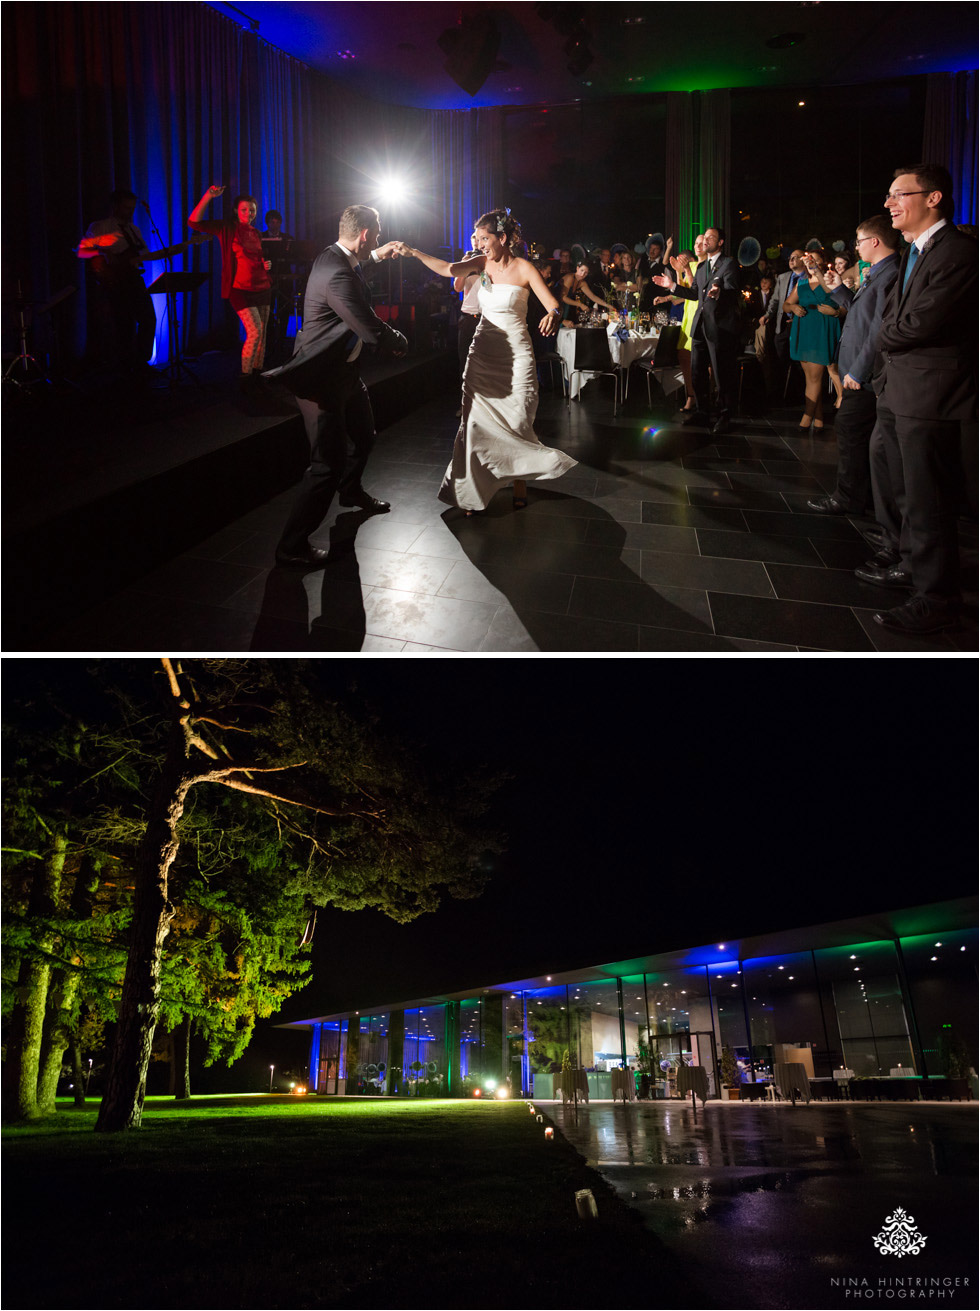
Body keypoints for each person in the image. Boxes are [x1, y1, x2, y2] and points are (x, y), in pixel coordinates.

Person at [396, 209, 576, 514]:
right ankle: (469, 491)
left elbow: (553, 304)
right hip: (483, 352)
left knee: (518, 419)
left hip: (517, 354)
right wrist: (413, 252)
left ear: (502, 238)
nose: (479, 244)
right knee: (475, 424)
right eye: (476, 238)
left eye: (485, 238)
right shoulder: (480, 263)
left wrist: (553, 315)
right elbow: (448, 269)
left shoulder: (524, 268)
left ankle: (519, 481)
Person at [864, 164, 977, 635]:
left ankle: (937, 598)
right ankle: (911, 566)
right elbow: (895, 317)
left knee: (930, 501)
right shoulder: (914, 251)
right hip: (899, 388)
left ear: (932, 198)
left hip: (930, 395)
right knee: (908, 492)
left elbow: (919, 324)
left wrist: (882, 336)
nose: (889, 203)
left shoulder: (959, 250)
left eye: (898, 195)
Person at [261, 204, 406, 568]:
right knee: (326, 465)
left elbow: (355, 265)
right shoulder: (337, 273)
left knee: (365, 434)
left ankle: (351, 491)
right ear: (364, 233)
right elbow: (369, 327)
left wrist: (376, 255)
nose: (379, 237)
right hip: (319, 379)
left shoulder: (334, 257)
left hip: (343, 373)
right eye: (377, 233)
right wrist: (401, 341)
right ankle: (291, 546)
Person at [803, 215, 900, 519]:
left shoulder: (890, 274)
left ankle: (848, 497)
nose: (855, 247)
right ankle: (863, 497)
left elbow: (878, 329)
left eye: (859, 241)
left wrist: (858, 371)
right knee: (859, 435)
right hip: (860, 369)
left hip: (866, 373)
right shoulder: (877, 273)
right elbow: (859, 309)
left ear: (874, 241)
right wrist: (837, 289)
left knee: (849, 430)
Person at [77, 188, 201, 377]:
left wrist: (180, 248)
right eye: (126, 208)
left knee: (148, 318)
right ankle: (125, 368)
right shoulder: (100, 226)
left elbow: (144, 255)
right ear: (115, 206)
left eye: (132, 208)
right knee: (123, 325)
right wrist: (104, 256)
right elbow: (82, 251)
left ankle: (141, 363)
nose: (130, 212)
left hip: (134, 279)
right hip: (114, 282)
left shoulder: (134, 230)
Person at [652, 226, 740, 436]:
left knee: (721, 373)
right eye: (704, 237)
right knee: (697, 372)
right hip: (700, 326)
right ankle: (702, 411)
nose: (706, 240)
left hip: (719, 327)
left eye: (711, 237)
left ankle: (725, 415)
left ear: (720, 243)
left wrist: (719, 293)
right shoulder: (701, 268)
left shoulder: (728, 263)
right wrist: (672, 285)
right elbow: (693, 294)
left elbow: (732, 289)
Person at [188, 185, 274, 392]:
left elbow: (256, 258)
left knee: (262, 335)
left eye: (252, 210)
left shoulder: (257, 233)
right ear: (236, 210)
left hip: (262, 287)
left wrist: (265, 265)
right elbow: (193, 222)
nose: (249, 213)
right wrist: (209, 196)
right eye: (244, 209)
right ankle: (245, 376)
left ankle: (257, 375)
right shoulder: (227, 227)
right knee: (255, 332)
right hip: (239, 289)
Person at [784, 248, 843, 428]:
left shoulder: (830, 281)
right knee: (809, 378)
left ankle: (807, 416)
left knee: (815, 378)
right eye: (809, 260)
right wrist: (793, 308)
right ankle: (818, 419)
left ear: (822, 263)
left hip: (821, 331)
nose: (811, 264)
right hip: (805, 330)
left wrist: (835, 312)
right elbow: (786, 305)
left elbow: (840, 300)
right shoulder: (801, 284)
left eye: (815, 261)